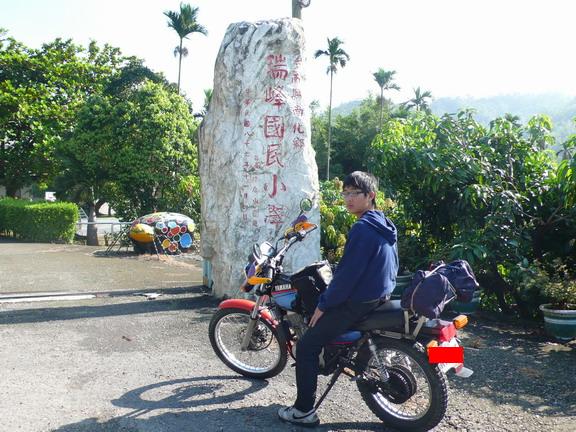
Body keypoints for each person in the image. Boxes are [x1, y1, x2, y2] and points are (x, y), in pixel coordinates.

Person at [278, 171, 399, 427]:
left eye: (355, 193)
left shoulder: (362, 229)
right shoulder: (383, 224)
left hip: (359, 301)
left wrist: (324, 305)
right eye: (346, 193)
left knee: (308, 344)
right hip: (380, 295)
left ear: (371, 196)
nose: (348, 198)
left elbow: (347, 277)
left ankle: (303, 411)